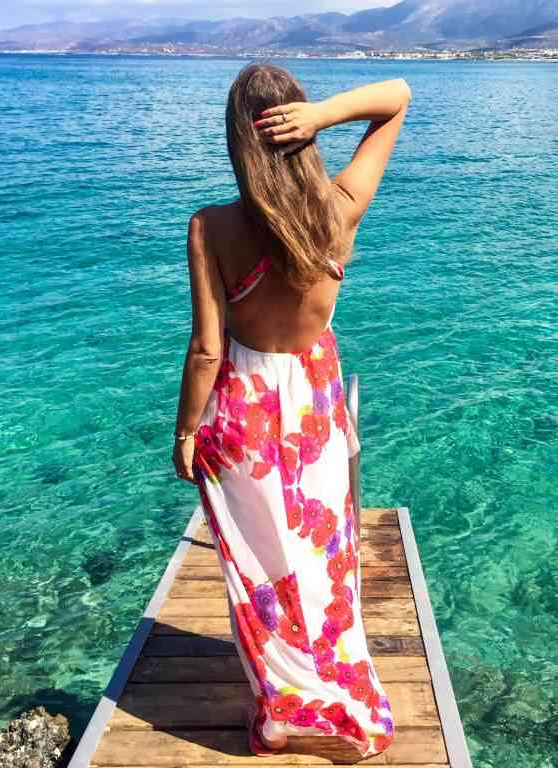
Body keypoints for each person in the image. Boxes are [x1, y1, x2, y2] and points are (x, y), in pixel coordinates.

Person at [171, 63, 410, 759]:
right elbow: (396, 99)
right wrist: (324, 116)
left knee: (259, 565)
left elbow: (208, 350)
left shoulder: (212, 226)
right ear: (296, 132)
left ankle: (280, 713)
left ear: (237, 142)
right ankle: (332, 698)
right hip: (314, 407)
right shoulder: (340, 208)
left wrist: (186, 430)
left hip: (241, 413)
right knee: (322, 561)